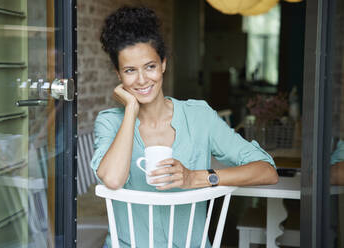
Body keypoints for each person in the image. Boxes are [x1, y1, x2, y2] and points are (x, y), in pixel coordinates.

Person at [91, 6, 278, 247]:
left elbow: (267, 171)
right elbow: (114, 180)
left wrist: (196, 178)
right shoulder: (109, 121)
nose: (141, 80)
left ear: (163, 64)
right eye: (129, 71)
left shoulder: (199, 116)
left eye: (150, 66)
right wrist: (130, 110)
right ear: (118, 75)